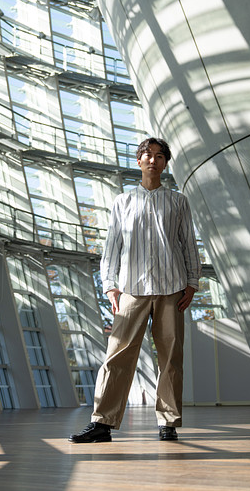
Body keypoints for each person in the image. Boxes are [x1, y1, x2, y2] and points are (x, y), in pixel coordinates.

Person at [69, 137, 201, 443]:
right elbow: (111, 246)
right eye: (146, 155)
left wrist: (193, 283)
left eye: (158, 156)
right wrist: (110, 286)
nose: (152, 160)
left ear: (166, 162)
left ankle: (168, 423)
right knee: (117, 354)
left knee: (170, 358)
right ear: (138, 161)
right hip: (131, 288)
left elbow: (188, 244)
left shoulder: (179, 201)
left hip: (172, 288)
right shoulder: (122, 202)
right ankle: (102, 423)